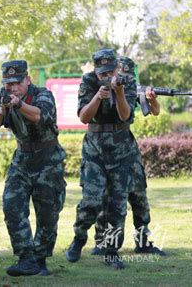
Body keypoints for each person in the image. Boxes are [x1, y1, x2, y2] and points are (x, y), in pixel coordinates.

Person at [0, 60, 67, 276]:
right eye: (8, 83)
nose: (11, 87)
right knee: (11, 205)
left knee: (47, 212)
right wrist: (4, 108)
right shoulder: (3, 97)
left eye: (16, 82)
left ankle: (40, 260)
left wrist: (18, 105)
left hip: (48, 159)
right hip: (22, 159)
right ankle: (25, 257)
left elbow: (40, 115)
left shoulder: (42, 95)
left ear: (27, 79)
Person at [65, 49, 139, 269]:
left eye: (110, 71)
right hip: (95, 150)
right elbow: (84, 117)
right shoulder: (88, 82)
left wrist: (119, 93)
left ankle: (111, 251)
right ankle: (79, 238)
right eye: (102, 73)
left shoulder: (127, 82)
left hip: (121, 150)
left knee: (117, 205)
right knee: (91, 200)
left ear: (117, 68)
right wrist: (98, 96)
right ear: (95, 71)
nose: (106, 77)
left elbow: (125, 115)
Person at [91, 56, 165, 256]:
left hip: (128, 150)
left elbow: (154, 112)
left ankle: (143, 242)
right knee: (107, 198)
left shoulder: (130, 88)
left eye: (125, 74)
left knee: (139, 195)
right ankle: (101, 242)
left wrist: (152, 99)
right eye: (117, 73)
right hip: (104, 150)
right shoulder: (100, 87)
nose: (119, 78)